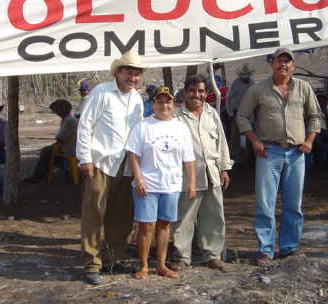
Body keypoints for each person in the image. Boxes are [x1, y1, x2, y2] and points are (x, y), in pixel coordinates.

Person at [237, 47, 321, 266]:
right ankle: (265, 250)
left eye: (287, 61)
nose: (283, 65)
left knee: (294, 203)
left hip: (296, 153)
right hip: (269, 152)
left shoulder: (303, 88)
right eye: (279, 61)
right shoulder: (258, 89)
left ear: (293, 66)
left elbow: (314, 116)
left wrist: (310, 141)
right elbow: (242, 117)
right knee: (265, 203)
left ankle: (289, 247)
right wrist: (254, 141)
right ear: (271, 64)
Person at [76, 49, 145, 285]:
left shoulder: (136, 99)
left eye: (136, 73)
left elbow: (138, 133)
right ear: (118, 72)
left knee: (122, 215)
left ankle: (114, 259)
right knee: (94, 213)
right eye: (128, 72)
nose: (132, 77)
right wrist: (85, 158)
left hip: (126, 165)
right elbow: (85, 125)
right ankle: (92, 263)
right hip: (101, 162)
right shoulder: (102, 92)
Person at [126, 86, 196, 280]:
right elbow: (132, 154)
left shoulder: (180, 127)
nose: (163, 105)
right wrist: (138, 178)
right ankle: (143, 265)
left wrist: (191, 183)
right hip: (147, 185)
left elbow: (188, 158)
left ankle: (161, 265)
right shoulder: (143, 126)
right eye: (159, 101)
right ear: (153, 104)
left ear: (173, 104)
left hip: (171, 184)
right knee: (146, 226)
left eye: (167, 102)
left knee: (164, 226)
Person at [172, 75, 233, 272]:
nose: (196, 95)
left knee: (214, 216)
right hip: (187, 177)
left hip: (212, 173)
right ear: (185, 92)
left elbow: (221, 142)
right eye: (192, 90)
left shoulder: (212, 113)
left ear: (206, 93)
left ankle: (212, 255)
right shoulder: (175, 116)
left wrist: (224, 168)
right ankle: (182, 257)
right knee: (184, 217)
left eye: (200, 91)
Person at [23, 99, 77, 183]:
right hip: (68, 145)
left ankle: (39, 176)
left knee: (46, 151)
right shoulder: (67, 119)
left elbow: (59, 137)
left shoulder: (69, 121)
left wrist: (58, 140)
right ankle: (43, 174)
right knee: (47, 151)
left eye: (56, 111)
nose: (56, 113)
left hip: (70, 148)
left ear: (61, 110)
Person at [226, 63, 255, 161]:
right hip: (237, 112)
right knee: (235, 136)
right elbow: (229, 98)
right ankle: (234, 155)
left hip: (250, 113)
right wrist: (230, 112)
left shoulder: (253, 83)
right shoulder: (235, 83)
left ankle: (250, 154)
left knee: (250, 134)